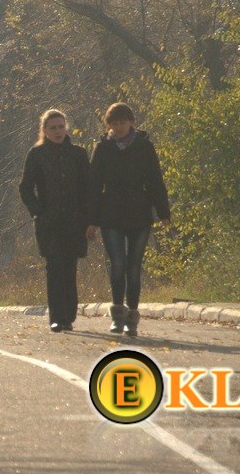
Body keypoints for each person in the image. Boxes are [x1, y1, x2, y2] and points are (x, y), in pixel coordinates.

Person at [87, 102, 171, 337]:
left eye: (123, 121)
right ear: (109, 125)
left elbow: (155, 179)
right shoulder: (102, 148)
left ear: (131, 121)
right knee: (118, 265)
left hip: (139, 214)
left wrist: (163, 212)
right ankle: (117, 315)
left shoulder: (144, 146)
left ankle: (132, 316)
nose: (119, 126)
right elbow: (94, 185)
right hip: (111, 214)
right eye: (114, 123)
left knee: (134, 267)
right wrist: (91, 219)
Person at [19, 109, 90, 332]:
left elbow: (88, 188)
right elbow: (25, 188)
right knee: (54, 267)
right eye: (53, 128)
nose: (58, 131)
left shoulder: (78, 154)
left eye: (61, 127)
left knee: (69, 267)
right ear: (45, 130)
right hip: (48, 223)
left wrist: (89, 219)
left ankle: (69, 314)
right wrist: (37, 210)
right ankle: (57, 317)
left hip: (74, 221)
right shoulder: (36, 154)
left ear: (66, 127)